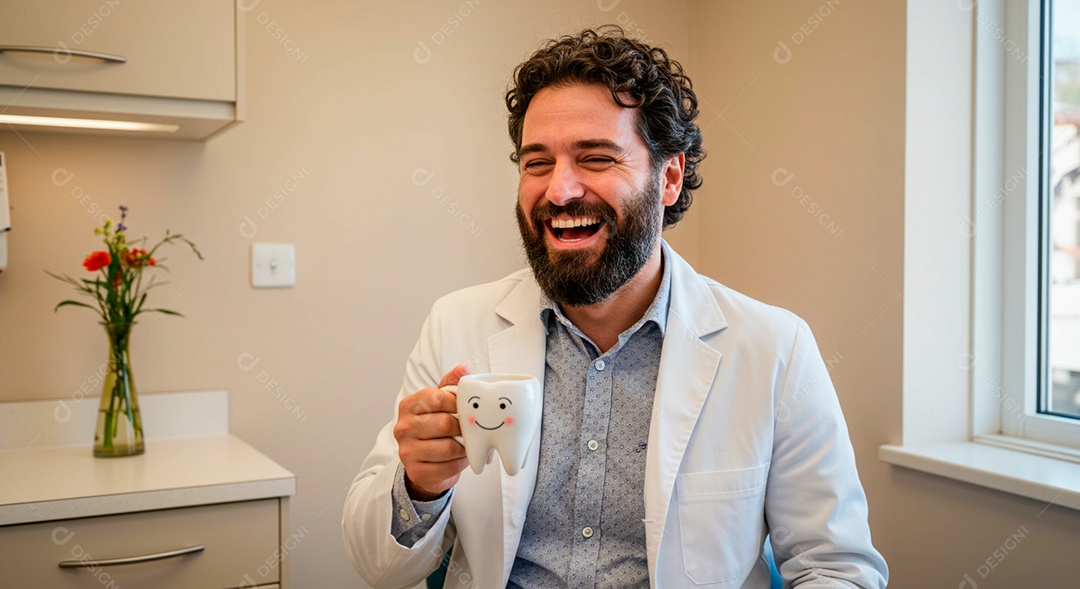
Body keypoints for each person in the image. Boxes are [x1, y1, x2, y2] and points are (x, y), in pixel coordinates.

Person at [343, 26, 888, 589]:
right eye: (537, 163)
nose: (559, 191)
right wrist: (419, 485)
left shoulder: (775, 349)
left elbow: (836, 566)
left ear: (669, 177)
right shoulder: (455, 325)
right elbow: (379, 569)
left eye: (596, 158)